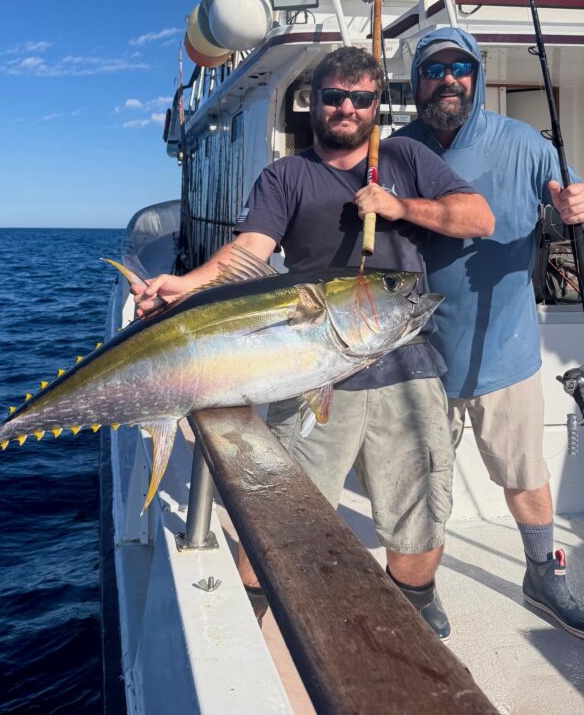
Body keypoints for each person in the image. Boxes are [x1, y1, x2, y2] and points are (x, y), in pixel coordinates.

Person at [135, 46, 494, 641]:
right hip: (309, 369)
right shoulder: (287, 175)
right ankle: (253, 614)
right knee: (285, 508)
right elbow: (249, 250)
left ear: (377, 104)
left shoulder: (404, 157)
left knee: (419, 512)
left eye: (362, 99)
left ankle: (414, 604)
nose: (347, 108)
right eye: (335, 97)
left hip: (406, 364)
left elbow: (478, 218)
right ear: (314, 102)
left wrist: (399, 206)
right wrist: (186, 286)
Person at [394, 26, 584, 638]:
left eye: (460, 67)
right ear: (417, 81)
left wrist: (574, 205)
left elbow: (567, 197)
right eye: (434, 69)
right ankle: (418, 591)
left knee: (526, 477)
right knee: (423, 486)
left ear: (474, 76)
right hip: (421, 357)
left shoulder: (525, 144)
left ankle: (540, 573)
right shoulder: (398, 150)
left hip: (508, 352)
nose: (448, 79)